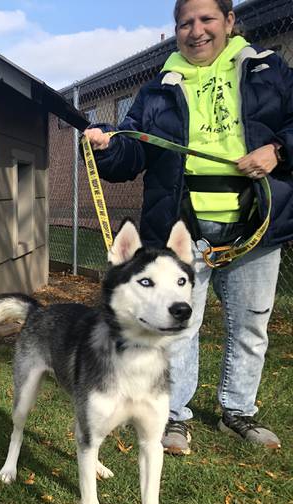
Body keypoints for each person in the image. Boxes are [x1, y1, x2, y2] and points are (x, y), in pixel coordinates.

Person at [83, 0, 292, 454]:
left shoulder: (270, 70)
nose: (196, 31)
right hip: (181, 228)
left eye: (207, 20)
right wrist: (106, 146)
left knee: (251, 325)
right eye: (185, 23)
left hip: (256, 223)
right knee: (178, 324)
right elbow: (132, 154)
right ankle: (175, 416)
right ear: (176, 30)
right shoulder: (157, 90)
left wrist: (278, 149)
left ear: (230, 21)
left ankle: (239, 410)